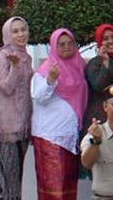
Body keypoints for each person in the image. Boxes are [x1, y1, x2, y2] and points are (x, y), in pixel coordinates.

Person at [32, 28, 88, 200]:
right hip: (50, 136)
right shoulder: (46, 69)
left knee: (68, 186)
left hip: (70, 136)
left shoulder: (80, 65)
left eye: (70, 43)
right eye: (61, 44)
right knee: (53, 189)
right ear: (54, 47)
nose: (66, 47)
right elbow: (38, 96)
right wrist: (51, 80)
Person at [0, 16, 33, 200]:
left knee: (19, 178)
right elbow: (5, 88)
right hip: (7, 123)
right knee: (7, 179)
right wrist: (15, 66)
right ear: (7, 34)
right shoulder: (2, 55)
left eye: (23, 29)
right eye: (15, 31)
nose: (20, 34)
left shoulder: (27, 56)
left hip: (22, 122)